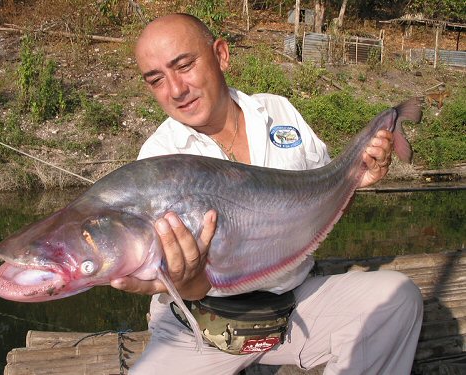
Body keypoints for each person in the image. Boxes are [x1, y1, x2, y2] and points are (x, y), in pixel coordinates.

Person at [110, 13, 423, 375]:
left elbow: (318, 210)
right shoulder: (158, 160)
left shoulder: (278, 112)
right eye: (156, 80)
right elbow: (192, 288)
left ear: (221, 55)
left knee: (398, 299)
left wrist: (355, 180)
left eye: (185, 66)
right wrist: (186, 279)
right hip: (199, 325)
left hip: (292, 307)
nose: (176, 89)